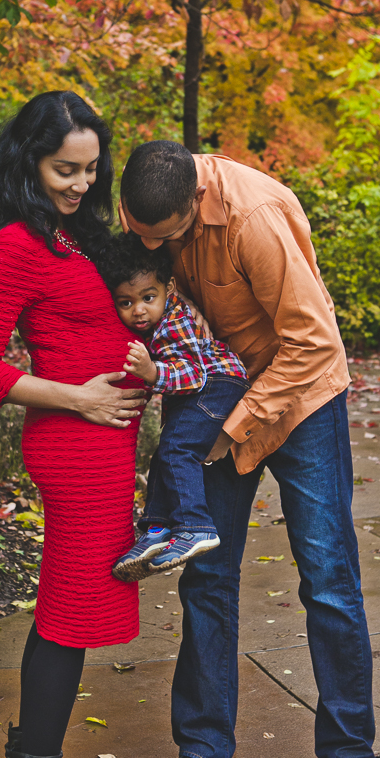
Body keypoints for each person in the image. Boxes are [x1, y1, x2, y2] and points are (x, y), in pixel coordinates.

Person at [119, 140, 375, 758]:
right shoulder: (147, 207)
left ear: (193, 205)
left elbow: (313, 343)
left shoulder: (255, 217)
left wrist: (239, 425)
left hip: (300, 398)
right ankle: (203, 749)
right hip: (216, 391)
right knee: (206, 570)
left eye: (164, 238)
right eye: (141, 235)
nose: (152, 246)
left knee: (326, 577)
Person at [0, 92, 147, 758]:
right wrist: (78, 398)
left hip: (102, 446)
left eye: (90, 170)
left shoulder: (67, 237)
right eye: (63, 168)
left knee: (70, 614)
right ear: (29, 160)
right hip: (72, 446)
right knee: (67, 618)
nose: (79, 183)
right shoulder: (16, 243)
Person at [96, 234, 249, 579]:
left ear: (169, 288)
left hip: (219, 384)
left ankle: (196, 526)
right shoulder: (157, 320)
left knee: (178, 450)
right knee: (164, 453)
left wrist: (152, 372)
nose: (138, 310)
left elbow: (194, 375)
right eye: (125, 302)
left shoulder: (175, 319)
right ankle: (156, 529)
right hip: (208, 388)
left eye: (148, 297)